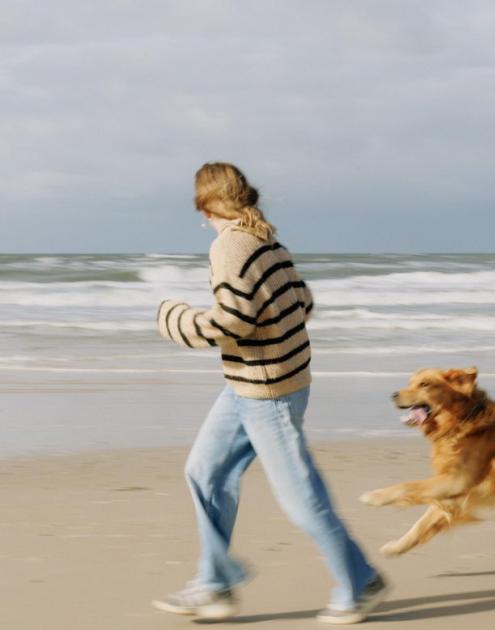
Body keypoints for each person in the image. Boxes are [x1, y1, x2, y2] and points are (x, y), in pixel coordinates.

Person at [151, 162, 388, 624]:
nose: (202, 220)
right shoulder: (267, 241)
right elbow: (304, 301)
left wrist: (174, 319)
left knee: (301, 497)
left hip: (268, 394)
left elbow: (230, 322)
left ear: (209, 205)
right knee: (204, 472)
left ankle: (360, 582)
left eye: (201, 210)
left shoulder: (231, 245)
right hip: (254, 386)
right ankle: (216, 585)